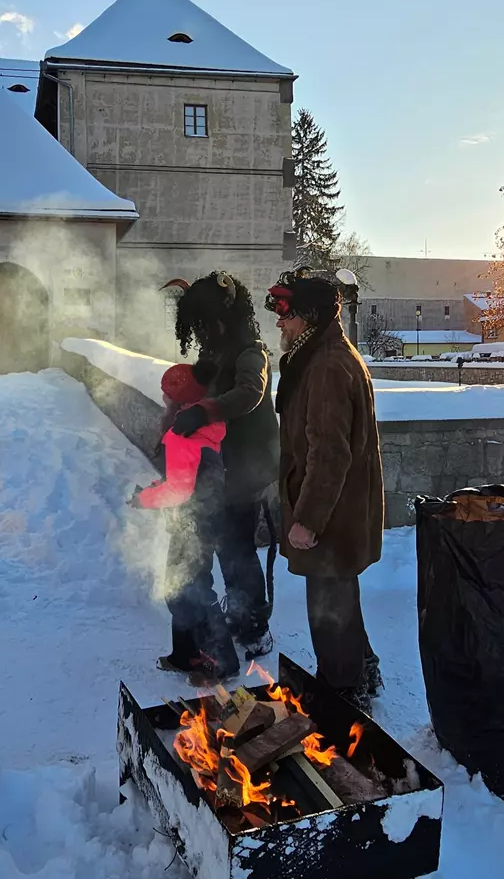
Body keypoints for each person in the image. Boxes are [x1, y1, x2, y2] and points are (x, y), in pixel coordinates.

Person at [265, 269, 385, 712]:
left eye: (286, 312)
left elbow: (330, 454)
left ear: (310, 316)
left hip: (332, 518)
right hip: (339, 512)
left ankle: (343, 696)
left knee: (328, 609)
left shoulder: (328, 366)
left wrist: (307, 520)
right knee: (339, 599)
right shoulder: (322, 355)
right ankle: (363, 671)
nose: (279, 321)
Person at [163, 272, 279, 660]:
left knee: (238, 551)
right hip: (215, 469)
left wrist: (204, 411)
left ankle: (255, 627)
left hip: (245, 467)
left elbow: (249, 392)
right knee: (217, 546)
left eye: (206, 321)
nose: (202, 330)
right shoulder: (214, 353)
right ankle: (234, 617)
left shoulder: (251, 351)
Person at [133, 362, 239, 685]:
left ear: (179, 399)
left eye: (167, 394)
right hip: (204, 518)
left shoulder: (182, 431)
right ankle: (185, 655)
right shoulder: (201, 423)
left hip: (192, 523)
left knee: (188, 590)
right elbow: (187, 478)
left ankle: (223, 660)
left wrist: (144, 500)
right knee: (182, 588)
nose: (162, 399)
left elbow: (179, 489)